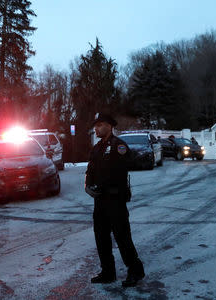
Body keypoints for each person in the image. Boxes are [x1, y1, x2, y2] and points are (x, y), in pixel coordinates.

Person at [85, 113, 145, 288]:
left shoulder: (119, 146)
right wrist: (88, 185)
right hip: (100, 201)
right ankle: (108, 272)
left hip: (115, 199)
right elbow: (90, 169)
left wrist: (103, 185)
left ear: (110, 126)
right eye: (95, 125)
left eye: (100, 125)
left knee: (122, 237)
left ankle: (135, 271)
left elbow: (121, 171)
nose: (96, 128)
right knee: (101, 237)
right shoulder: (96, 148)